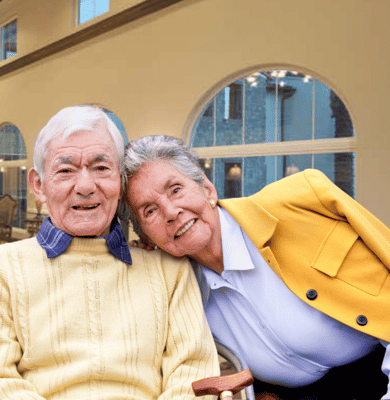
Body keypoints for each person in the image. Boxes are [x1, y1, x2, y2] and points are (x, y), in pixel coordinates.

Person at [0, 106, 219, 399]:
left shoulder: (167, 269)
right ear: (39, 185)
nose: (85, 186)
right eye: (65, 170)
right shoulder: (0, 269)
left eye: (100, 168)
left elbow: (194, 373)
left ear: (119, 183)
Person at [122, 134, 390, 400]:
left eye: (176, 190)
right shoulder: (178, 286)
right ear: (145, 235)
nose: (171, 212)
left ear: (207, 188)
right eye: (150, 211)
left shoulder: (303, 201)